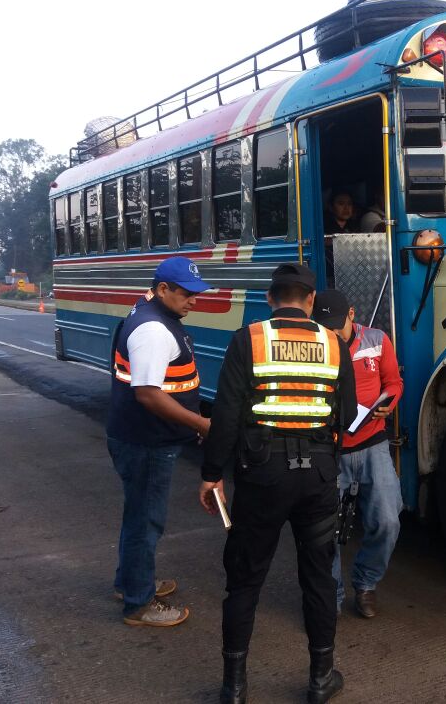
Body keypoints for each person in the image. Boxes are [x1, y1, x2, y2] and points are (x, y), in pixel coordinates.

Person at [200, 263, 356, 704]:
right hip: (319, 478)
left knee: (245, 580)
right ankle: (321, 679)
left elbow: (226, 417)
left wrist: (211, 475)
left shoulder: (248, 339)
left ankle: (234, 687)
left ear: (271, 298)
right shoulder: (333, 343)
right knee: (319, 579)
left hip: (262, 476)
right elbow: (345, 415)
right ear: (310, 301)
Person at [107, 256, 212, 628]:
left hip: (141, 437)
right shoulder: (153, 330)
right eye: (187, 294)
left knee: (138, 515)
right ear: (163, 289)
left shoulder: (153, 313)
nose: (194, 301)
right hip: (146, 441)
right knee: (145, 521)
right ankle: (138, 603)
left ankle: (131, 582)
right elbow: (148, 395)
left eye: (197, 294)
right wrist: (201, 423)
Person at [312, 289, 403, 619]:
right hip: (329, 450)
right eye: (324, 327)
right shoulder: (316, 345)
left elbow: (393, 383)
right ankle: (332, 593)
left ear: (352, 314)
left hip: (371, 443)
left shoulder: (377, 340)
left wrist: (389, 402)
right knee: (325, 530)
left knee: (388, 520)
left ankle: (366, 584)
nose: (331, 333)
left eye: (336, 325)